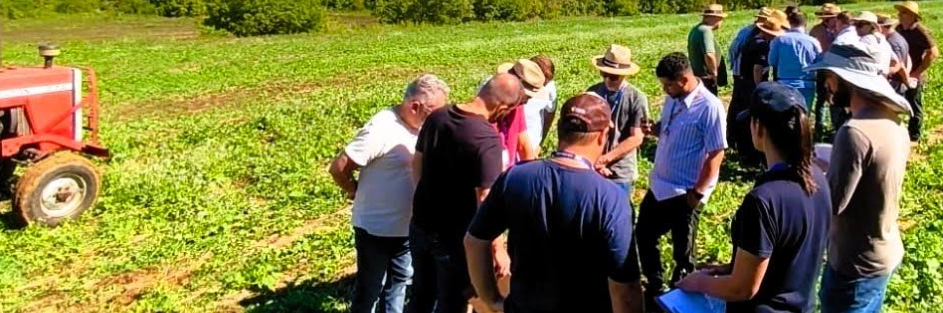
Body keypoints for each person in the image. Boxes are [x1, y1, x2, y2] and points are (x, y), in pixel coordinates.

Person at [465, 93, 644, 313]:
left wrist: (492, 300)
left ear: (560, 128)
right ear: (602, 136)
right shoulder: (611, 198)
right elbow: (625, 292)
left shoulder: (515, 177)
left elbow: (474, 241)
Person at [677, 82, 831, 313]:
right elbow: (788, 255)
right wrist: (731, 268)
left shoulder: (763, 201)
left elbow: (743, 289)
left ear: (758, 127)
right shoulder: (817, 177)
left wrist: (698, 282)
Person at [803, 43, 913, 313]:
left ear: (844, 80)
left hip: (855, 263)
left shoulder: (854, 132)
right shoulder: (893, 122)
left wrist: (808, 173)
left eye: (829, 77)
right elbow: (871, 179)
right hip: (883, 250)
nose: (826, 84)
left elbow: (834, 203)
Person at [330, 74, 450, 313]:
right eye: (435, 111)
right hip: (376, 228)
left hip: (408, 228)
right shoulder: (381, 128)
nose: (439, 118)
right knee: (370, 290)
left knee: (399, 285)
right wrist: (353, 189)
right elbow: (339, 167)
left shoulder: (421, 128)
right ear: (415, 106)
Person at [409, 73, 524, 313]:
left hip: (420, 226)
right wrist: (498, 249)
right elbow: (486, 201)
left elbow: (417, 162)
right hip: (454, 240)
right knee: (452, 304)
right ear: (503, 107)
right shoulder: (486, 139)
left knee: (421, 296)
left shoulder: (437, 117)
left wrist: (425, 201)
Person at [638, 52, 727, 311]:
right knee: (644, 236)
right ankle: (655, 285)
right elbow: (669, 128)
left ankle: (682, 299)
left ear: (685, 79)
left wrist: (697, 193)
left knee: (683, 253)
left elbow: (716, 153)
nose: (664, 90)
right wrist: (653, 130)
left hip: (684, 191)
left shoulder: (709, 107)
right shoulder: (673, 99)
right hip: (659, 185)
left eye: (668, 84)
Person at [587, 44, 649, 197]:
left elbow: (637, 137)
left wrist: (606, 159)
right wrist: (596, 162)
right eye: (604, 74)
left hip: (620, 171)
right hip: (593, 167)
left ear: (625, 75)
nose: (608, 79)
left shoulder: (636, 98)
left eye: (613, 76)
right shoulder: (593, 92)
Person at [729, 9, 787, 166]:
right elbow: (757, 69)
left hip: (744, 83)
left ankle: (744, 153)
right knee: (753, 118)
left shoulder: (753, 39)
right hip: (752, 85)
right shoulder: (762, 45)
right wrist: (760, 89)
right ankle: (751, 156)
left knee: (744, 116)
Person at [896, 0, 939, 142]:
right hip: (900, 74)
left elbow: (933, 53)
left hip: (914, 75)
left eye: (903, 12)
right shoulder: (899, 29)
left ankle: (914, 136)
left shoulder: (920, 31)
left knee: (914, 104)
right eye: (900, 12)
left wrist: (917, 72)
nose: (900, 15)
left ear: (913, 16)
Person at [492, 60, 543, 168]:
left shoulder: (517, 108)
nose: (526, 102)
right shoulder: (488, 112)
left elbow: (523, 144)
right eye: (526, 97)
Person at [770, 12, 822, 106]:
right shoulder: (813, 41)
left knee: (785, 116)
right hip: (807, 84)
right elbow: (819, 63)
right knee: (803, 115)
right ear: (805, 24)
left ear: (789, 23)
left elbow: (772, 61)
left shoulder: (779, 40)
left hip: (784, 83)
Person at [810, 3, 841, 140]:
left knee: (836, 99)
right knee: (822, 99)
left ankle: (836, 127)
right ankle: (820, 127)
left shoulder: (840, 30)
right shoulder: (816, 31)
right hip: (823, 69)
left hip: (837, 70)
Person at [687, 4, 727, 95]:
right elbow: (709, 54)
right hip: (706, 79)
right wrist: (714, 74)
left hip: (698, 77)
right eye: (721, 18)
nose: (722, 21)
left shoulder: (697, 29)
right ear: (715, 18)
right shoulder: (705, 31)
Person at [729, 7, 771, 91]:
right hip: (751, 74)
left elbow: (732, 49)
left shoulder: (745, 30)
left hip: (738, 71)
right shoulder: (760, 36)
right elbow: (758, 67)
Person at [523, 55, 558, 152]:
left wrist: (541, 141)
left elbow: (550, 113)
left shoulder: (549, 88)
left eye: (545, 83)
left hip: (532, 144)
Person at [855, 12, 897, 77]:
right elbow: (895, 62)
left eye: (860, 24)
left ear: (871, 26)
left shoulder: (865, 40)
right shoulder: (882, 39)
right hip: (882, 80)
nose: (856, 27)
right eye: (855, 24)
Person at [878, 13, 912, 95]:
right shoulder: (898, 37)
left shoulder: (890, 42)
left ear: (881, 27)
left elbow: (899, 65)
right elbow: (908, 58)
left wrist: (906, 80)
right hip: (899, 83)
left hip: (895, 84)